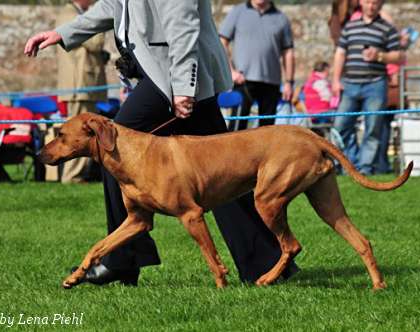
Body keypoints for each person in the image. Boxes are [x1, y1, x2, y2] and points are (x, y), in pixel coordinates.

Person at [24, 0, 298, 286]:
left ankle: (122, 259)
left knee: (110, 144)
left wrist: (182, 87)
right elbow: (113, 5)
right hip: (170, 75)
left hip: (173, 76)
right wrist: (64, 33)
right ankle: (264, 262)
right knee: (226, 172)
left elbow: (183, 25)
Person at [332, 0, 403, 175]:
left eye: (375, 3)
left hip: (376, 84)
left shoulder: (387, 28)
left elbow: (399, 56)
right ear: (361, 2)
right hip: (350, 84)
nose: (371, 6)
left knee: (373, 129)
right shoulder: (350, 27)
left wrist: (380, 55)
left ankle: (364, 169)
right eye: (368, 2)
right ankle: (351, 163)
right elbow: (340, 53)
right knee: (340, 126)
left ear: (380, 5)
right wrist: (335, 79)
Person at [219, 0, 295, 131]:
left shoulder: (281, 18)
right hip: (243, 81)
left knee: (267, 132)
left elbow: (288, 52)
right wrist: (230, 71)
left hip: (271, 83)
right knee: (236, 131)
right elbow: (222, 42)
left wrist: (289, 82)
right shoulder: (237, 12)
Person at [56, 0, 108, 184]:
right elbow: (95, 43)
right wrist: (100, 20)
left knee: (83, 132)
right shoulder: (70, 14)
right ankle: (72, 176)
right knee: (77, 134)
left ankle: (78, 174)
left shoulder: (72, 12)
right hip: (79, 84)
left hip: (83, 82)